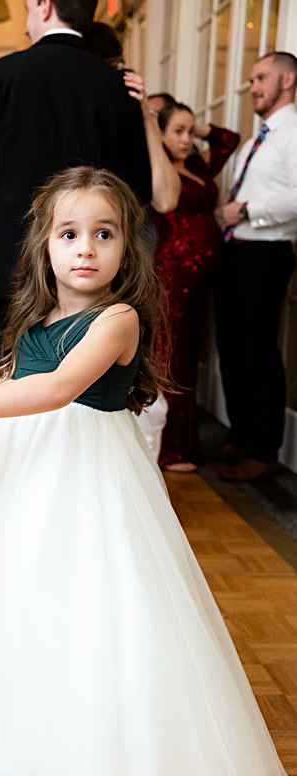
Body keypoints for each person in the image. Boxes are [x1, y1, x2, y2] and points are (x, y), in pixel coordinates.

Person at [0, 166, 289, 776]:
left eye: (104, 234)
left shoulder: (118, 319)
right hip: (17, 469)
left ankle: (95, 758)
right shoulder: (39, 313)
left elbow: (55, 389)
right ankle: (7, 732)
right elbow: (15, 387)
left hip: (88, 477)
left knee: (86, 599)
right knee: (9, 587)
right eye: (69, 233)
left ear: (128, 248)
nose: (86, 248)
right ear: (45, 243)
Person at [0, 0, 151, 383]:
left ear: (44, 5)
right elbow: (138, 189)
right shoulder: (114, 84)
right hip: (89, 272)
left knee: (3, 391)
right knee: (78, 394)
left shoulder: (2, 74)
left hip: (11, 265)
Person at [210, 51, 297, 482]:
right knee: (234, 349)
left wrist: (245, 211)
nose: (253, 87)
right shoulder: (254, 139)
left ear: (288, 79)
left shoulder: (293, 134)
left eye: (261, 78)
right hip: (237, 255)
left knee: (258, 353)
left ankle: (264, 450)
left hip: (266, 255)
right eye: (250, 79)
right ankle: (242, 436)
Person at [146, 95, 240, 471]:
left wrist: (189, 121)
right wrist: (157, 127)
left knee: (189, 353)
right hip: (173, 271)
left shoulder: (199, 164)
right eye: (178, 132)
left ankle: (184, 443)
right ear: (161, 134)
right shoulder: (159, 170)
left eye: (190, 132)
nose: (187, 139)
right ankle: (170, 447)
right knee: (171, 355)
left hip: (205, 276)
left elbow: (228, 140)